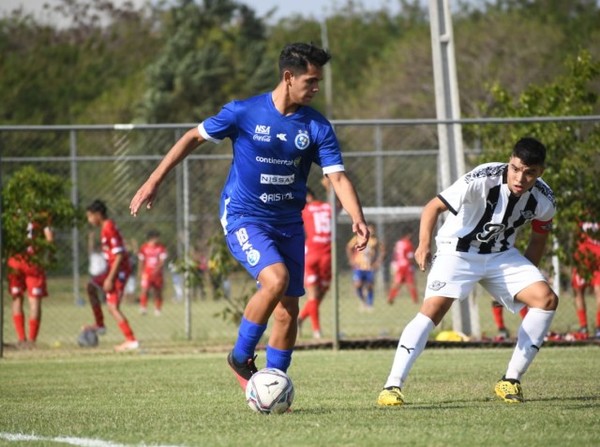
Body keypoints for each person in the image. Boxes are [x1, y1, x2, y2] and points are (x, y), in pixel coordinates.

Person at [129, 42, 369, 390]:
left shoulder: (317, 127)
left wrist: (357, 217)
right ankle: (240, 357)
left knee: (288, 309)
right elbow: (192, 137)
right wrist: (154, 180)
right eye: (311, 81)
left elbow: (337, 177)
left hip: (288, 223)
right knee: (275, 280)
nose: (317, 88)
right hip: (244, 216)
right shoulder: (243, 112)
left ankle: (274, 384)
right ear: (289, 77)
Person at [377, 137, 558, 406]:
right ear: (510, 161)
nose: (520, 177)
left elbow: (538, 239)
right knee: (433, 310)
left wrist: (522, 282)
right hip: (457, 251)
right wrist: (424, 245)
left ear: (540, 172)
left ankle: (510, 380)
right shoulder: (482, 177)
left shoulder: (544, 199)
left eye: (529, 172)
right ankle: (392, 386)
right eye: (516, 168)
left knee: (547, 299)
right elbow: (433, 207)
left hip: (500, 256)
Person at [84, 200, 139, 352]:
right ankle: (100, 325)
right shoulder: (105, 227)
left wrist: (110, 278)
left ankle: (131, 340)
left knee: (113, 307)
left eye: (90, 216)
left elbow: (120, 254)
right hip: (111, 270)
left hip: (118, 271)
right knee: (91, 287)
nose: (89, 220)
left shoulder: (108, 227)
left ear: (98, 214)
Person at [7, 214, 54, 347]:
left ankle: (21, 339)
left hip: (15, 261)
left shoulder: (12, 214)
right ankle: (32, 341)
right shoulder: (42, 215)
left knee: (17, 298)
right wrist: (48, 256)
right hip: (33, 262)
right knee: (34, 301)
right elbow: (49, 239)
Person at [298, 186, 333, 339]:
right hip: (327, 256)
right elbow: (338, 203)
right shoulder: (328, 207)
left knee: (314, 297)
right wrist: (329, 186)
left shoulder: (305, 209)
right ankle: (316, 330)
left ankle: (299, 320)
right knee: (318, 296)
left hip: (311, 254)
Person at [571, 220, 600, 339]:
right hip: (582, 257)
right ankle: (585, 327)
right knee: (578, 291)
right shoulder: (579, 211)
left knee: (597, 291)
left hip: (594, 257)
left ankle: (597, 327)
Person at [346, 224, 384, 310]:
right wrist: (351, 259)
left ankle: (370, 304)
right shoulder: (358, 238)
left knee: (370, 285)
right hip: (358, 266)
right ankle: (363, 301)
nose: (371, 231)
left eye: (373, 230)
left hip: (369, 267)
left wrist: (378, 262)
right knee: (358, 284)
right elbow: (348, 247)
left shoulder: (375, 240)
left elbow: (383, 249)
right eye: (369, 229)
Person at [138, 230, 168, 315]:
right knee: (144, 290)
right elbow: (141, 261)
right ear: (151, 238)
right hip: (147, 273)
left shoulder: (161, 248)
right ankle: (143, 307)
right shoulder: (144, 248)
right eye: (156, 237)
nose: (157, 239)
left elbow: (162, 261)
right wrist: (140, 271)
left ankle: (158, 309)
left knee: (157, 291)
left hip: (157, 274)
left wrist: (157, 269)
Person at [387, 232, 418, 305]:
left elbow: (395, 254)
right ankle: (415, 300)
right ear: (409, 234)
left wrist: (394, 264)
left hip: (398, 265)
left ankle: (390, 297)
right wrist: (413, 263)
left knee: (397, 283)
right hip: (406, 266)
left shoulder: (398, 243)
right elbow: (410, 256)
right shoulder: (408, 243)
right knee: (410, 283)